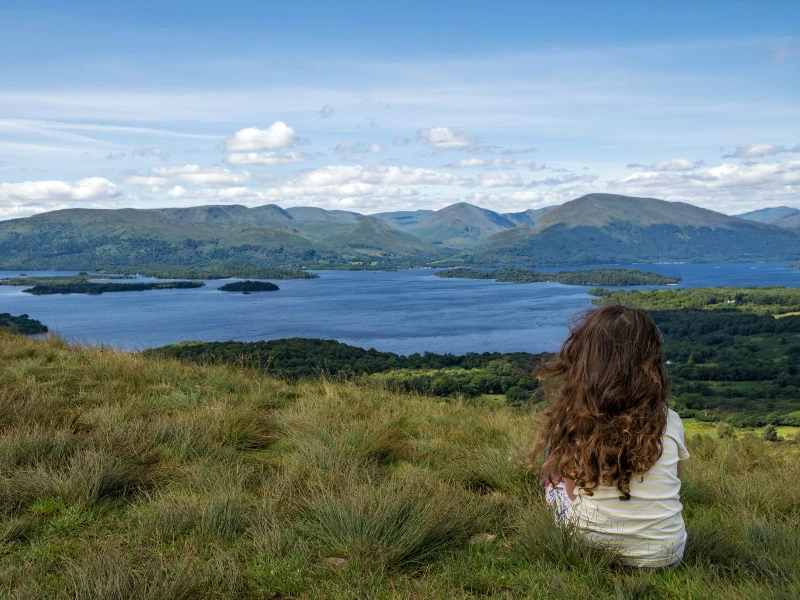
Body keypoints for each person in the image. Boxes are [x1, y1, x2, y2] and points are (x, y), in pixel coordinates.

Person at [531, 304, 690, 568]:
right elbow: (675, 480)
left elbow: (572, 493)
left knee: (552, 477)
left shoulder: (576, 419)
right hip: (665, 557)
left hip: (589, 549)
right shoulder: (669, 419)